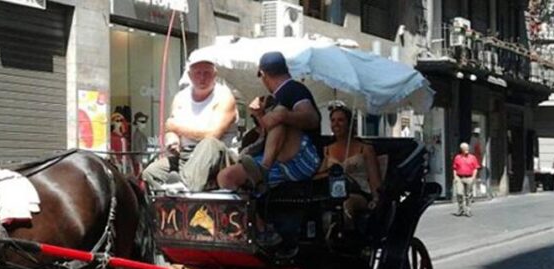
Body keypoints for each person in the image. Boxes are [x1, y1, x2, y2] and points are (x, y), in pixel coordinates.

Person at [216, 51, 322, 192]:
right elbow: (269, 132)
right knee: (227, 177)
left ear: (263, 74)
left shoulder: (293, 89)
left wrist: (283, 116)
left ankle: (263, 169)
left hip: (303, 159)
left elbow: (313, 119)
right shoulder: (278, 95)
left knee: (279, 114)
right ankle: (250, 208)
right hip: (280, 161)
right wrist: (260, 115)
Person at [140, 56, 238, 192]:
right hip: (185, 155)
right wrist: (172, 139)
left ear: (215, 75)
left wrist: (177, 128)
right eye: (198, 73)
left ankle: (186, 187)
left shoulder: (224, 96)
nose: (202, 78)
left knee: (209, 142)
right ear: (190, 75)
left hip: (216, 157)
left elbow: (212, 134)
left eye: (207, 73)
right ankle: (165, 202)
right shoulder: (180, 97)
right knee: (150, 173)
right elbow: (170, 129)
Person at [315, 103, 381, 223]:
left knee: (346, 205)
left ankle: (348, 238)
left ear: (350, 124)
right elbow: (319, 176)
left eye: (341, 120)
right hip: (334, 193)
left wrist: (376, 200)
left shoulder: (365, 149)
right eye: (333, 120)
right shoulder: (327, 150)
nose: (336, 124)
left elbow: (374, 179)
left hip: (358, 193)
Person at [452, 142, 480, 217]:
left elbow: (476, 168)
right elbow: (454, 168)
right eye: (465, 148)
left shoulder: (472, 157)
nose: (467, 150)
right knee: (459, 193)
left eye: (467, 148)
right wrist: (455, 177)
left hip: (469, 177)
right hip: (459, 177)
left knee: (468, 195)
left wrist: (473, 177)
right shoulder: (457, 157)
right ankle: (460, 209)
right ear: (461, 149)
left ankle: (468, 210)